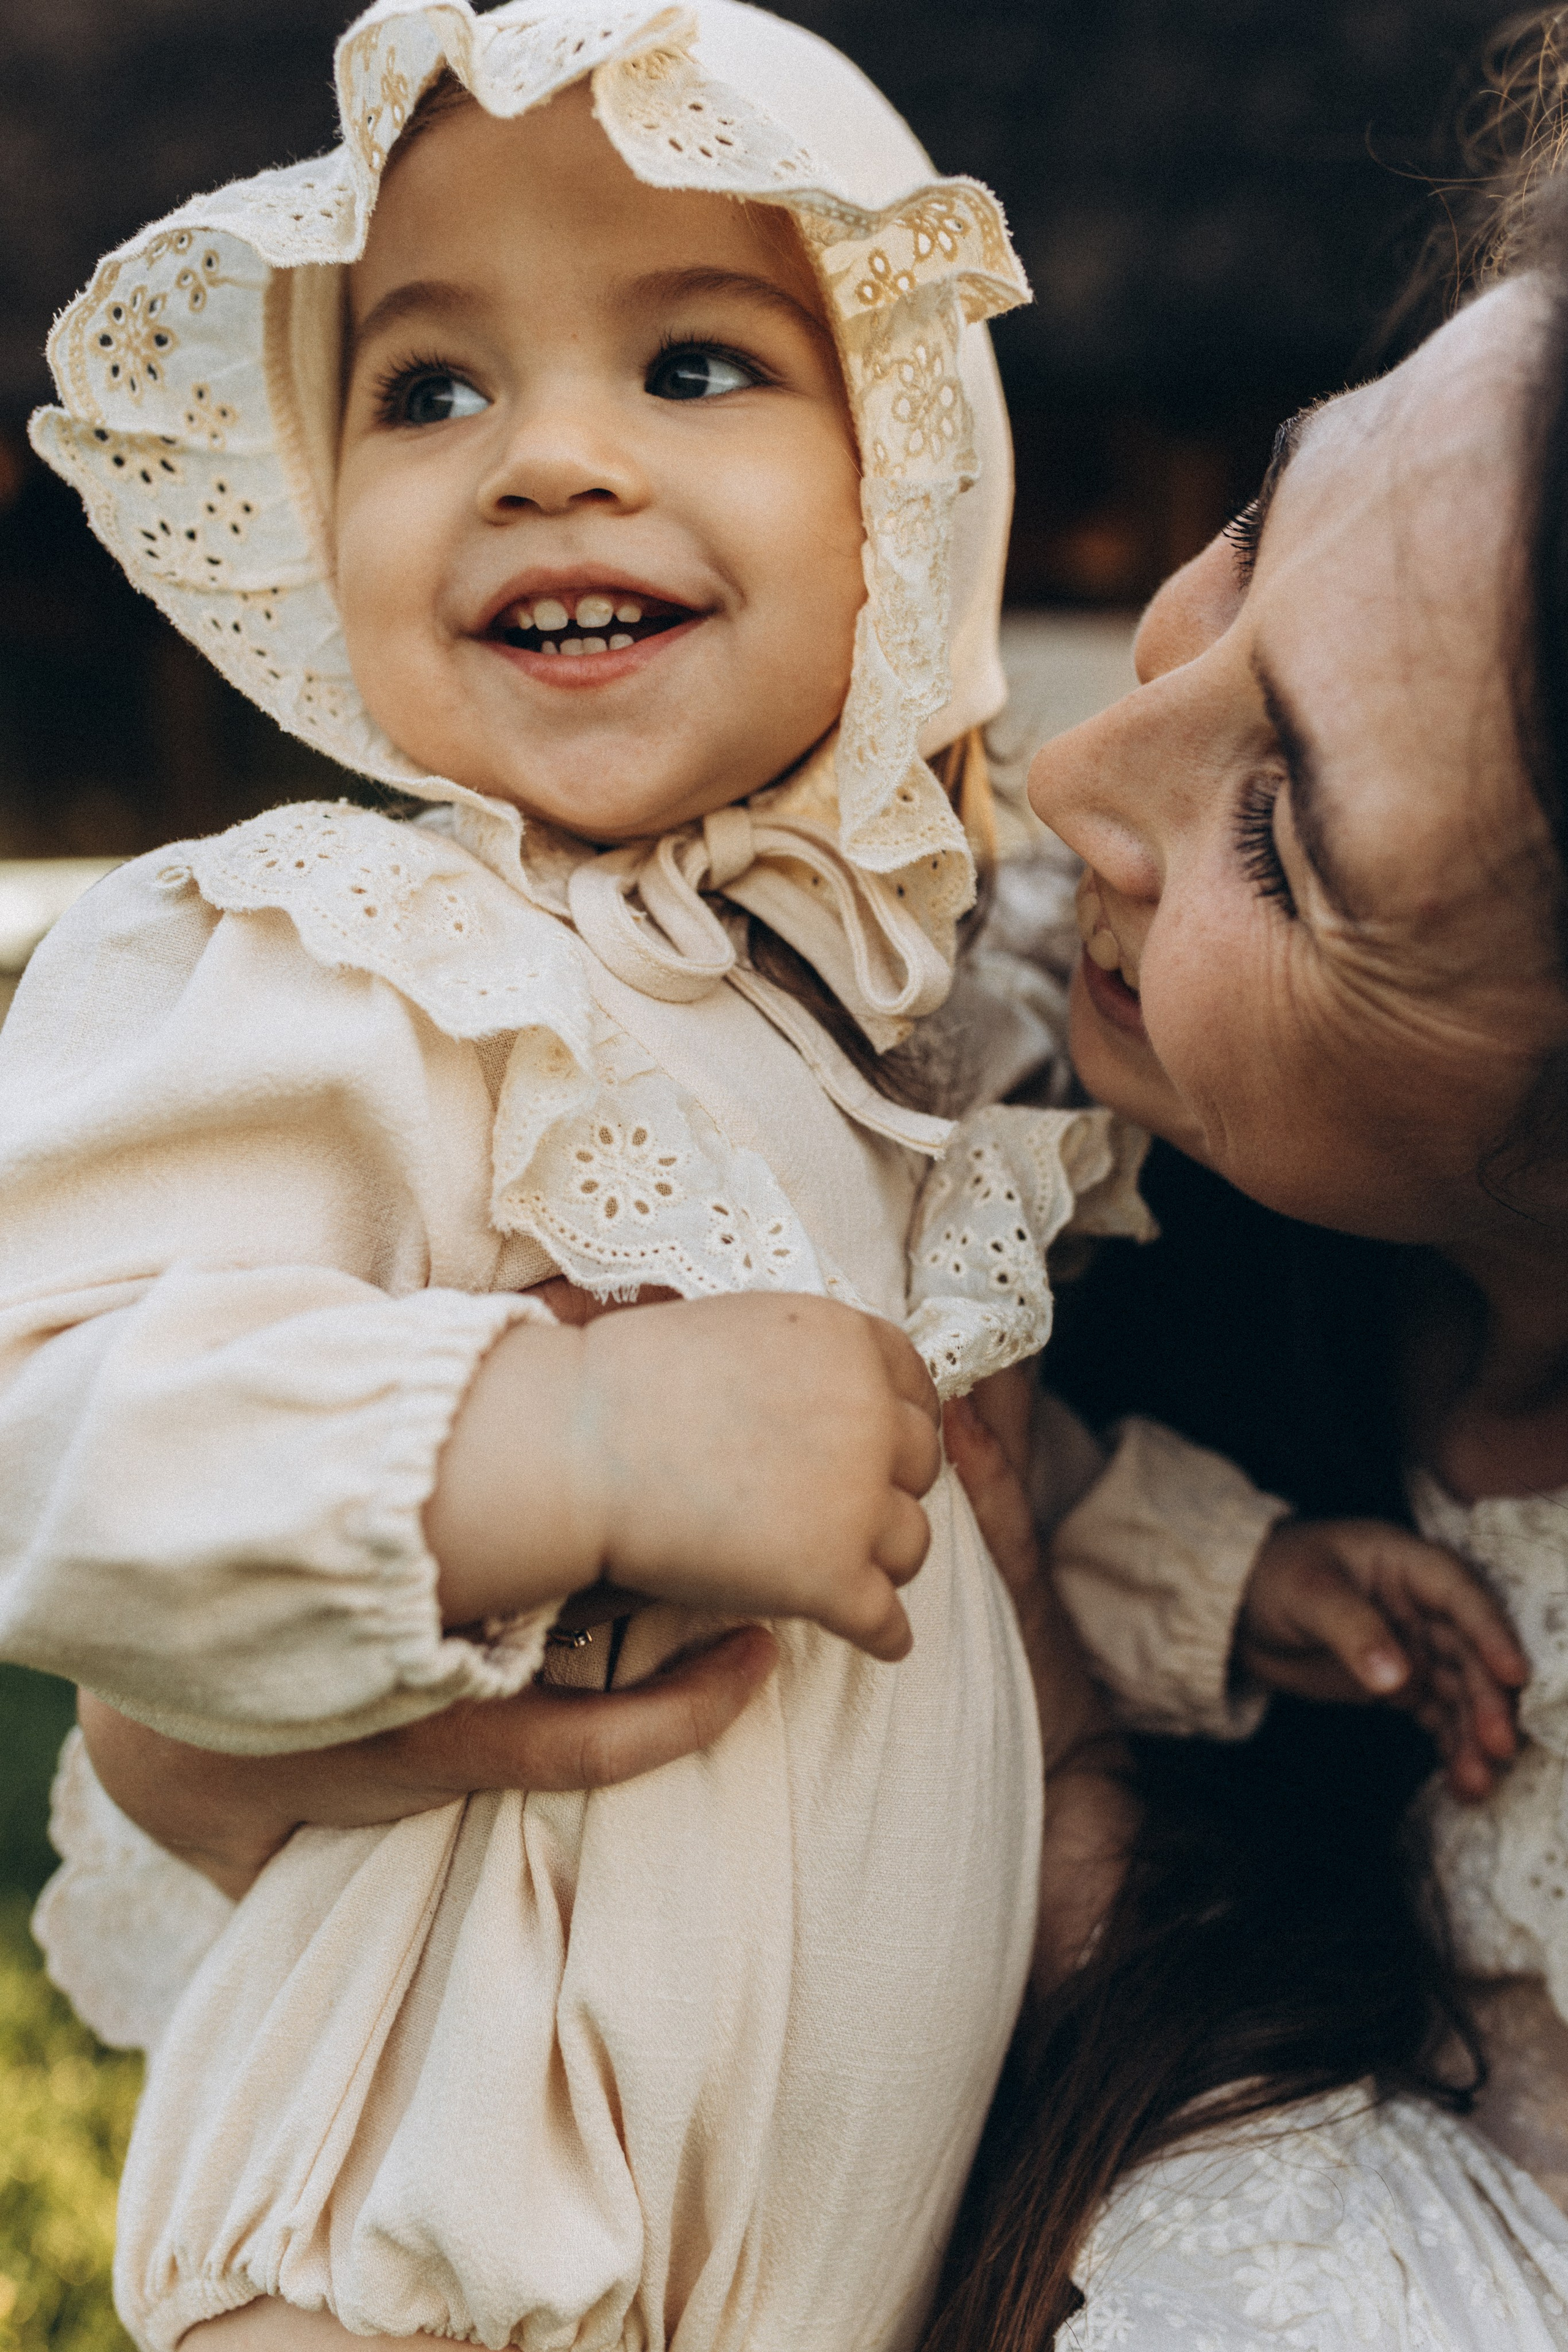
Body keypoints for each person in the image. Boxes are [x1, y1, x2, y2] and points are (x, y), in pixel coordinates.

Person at [0, 3, 1163, 2345]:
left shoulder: (907, 1032)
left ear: (911, 472)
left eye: (696, 365)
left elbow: (955, 1479)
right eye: (428, 391)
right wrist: (578, 1440)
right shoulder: (361, 958)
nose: (546, 460)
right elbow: (52, 1425)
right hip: (429, 2261)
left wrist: (1220, 1586)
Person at [922, 11, 1568, 2346]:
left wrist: (1073, 1797)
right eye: (1254, 528)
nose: (1076, 764)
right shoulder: (1000, 1042)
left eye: (1283, 837)